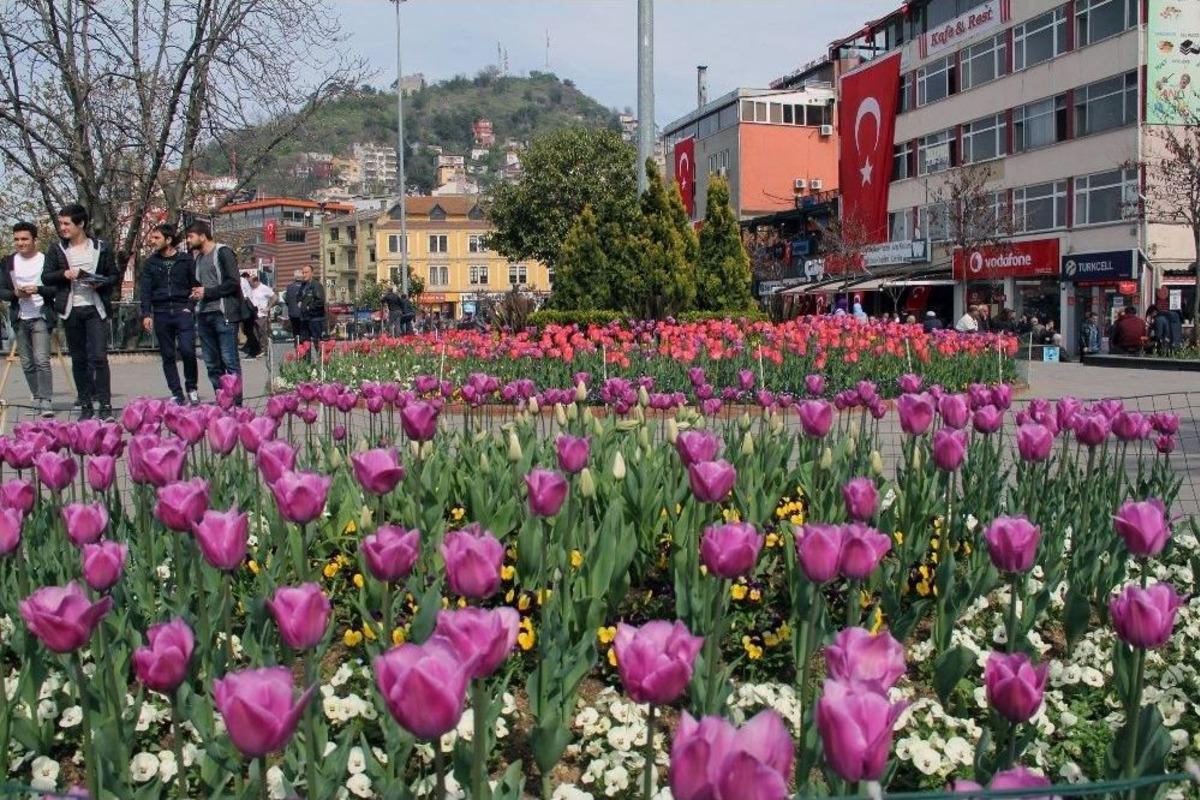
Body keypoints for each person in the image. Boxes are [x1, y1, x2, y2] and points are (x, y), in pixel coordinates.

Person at [42, 204, 118, 421]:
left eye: (67, 223)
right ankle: (85, 404)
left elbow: (113, 275)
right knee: (79, 359)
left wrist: (99, 283)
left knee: (99, 357)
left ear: (81, 223)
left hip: (95, 308)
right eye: (61, 223)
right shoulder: (56, 249)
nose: (62, 227)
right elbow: (46, 277)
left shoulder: (101, 247)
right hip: (70, 309)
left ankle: (105, 405)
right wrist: (64, 273)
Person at [139, 224, 200, 405]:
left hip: (183, 311)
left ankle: (192, 388)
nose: (153, 241)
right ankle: (176, 392)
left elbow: (195, 285)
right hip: (161, 312)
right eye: (152, 237)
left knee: (188, 350)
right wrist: (146, 314)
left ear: (168, 240)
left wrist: (190, 305)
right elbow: (145, 290)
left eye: (157, 238)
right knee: (167, 354)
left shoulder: (186, 260)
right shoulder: (151, 263)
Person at [0, 222, 56, 417]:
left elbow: (55, 288)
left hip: (40, 314)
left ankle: (47, 400)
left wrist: (38, 289)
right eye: (16, 239)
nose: (20, 243)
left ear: (34, 240)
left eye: (24, 239)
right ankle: (37, 397)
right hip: (20, 316)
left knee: (41, 359)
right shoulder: (8, 262)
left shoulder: (45, 260)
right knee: (26, 361)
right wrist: (15, 294)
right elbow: (2, 291)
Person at [184, 220, 243, 403]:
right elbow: (200, 285)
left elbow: (233, 282)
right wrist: (194, 298)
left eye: (190, 236)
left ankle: (236, 404)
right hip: (204, 315)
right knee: (211, 363)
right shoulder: (198, 258)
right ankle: (222, 401)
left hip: (222, 314)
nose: (188, 241)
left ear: (202, 236)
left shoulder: (222, 252)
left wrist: (208, 292)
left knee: (229, 361)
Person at [295, 264, 326, 360]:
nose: (304, 274)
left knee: (318, 342)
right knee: (305, 342)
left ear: (312, 273)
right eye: (303, 272)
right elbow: (299, 297)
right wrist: (299, 302)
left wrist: (309, 307)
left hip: (316, 319)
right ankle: (307, 364)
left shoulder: (316, 285)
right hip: (305, 318)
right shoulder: (303, 285)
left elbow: (320, 301)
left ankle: (323, 363)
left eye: (306, 272)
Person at [246, 273, 276, 361]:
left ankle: (265, 349)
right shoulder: (251, 289)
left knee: (263, 332)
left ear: (255, 281)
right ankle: (259, 349)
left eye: (250, 282)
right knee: (255, 333)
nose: (249, 284)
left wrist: (268, 307)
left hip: (262, 314)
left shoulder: (264, 288)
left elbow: (274, 297)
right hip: (254, 314)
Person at [239, 272, 261, 359]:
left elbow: (244, 296)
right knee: (248, 331)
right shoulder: (243, 280)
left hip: (246, 307)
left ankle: (254, 350)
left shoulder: (240, 281)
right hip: (249, 307)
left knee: (249, 331)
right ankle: (254, 348)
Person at [284, 274, 304, 346]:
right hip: (303, 313)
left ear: (294, 278)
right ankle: (303, 346)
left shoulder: (289, 287)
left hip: (293, 313)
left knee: (295, 331)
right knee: (303, 330)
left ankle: (297, 345)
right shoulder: (306, 286)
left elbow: (286, 301)